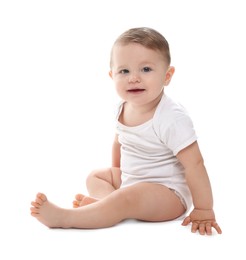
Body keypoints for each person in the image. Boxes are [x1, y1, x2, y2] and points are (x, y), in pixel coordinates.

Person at [30, 27, 222, 235]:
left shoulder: (171, 118)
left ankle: (67, 218)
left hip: (168, 194)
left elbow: (195, 164)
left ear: (167, 76)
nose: (134, 78)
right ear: (112, 75)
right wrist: (117, 173)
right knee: (95, 177)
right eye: (124, 71)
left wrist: (204, 209)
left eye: (146, 69)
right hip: (132, 181)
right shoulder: (123, 107)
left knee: (126, 197)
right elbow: (119, 141)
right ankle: (105, 205)